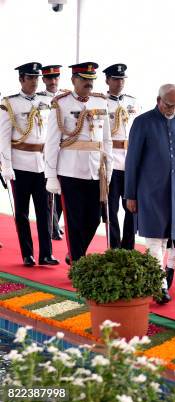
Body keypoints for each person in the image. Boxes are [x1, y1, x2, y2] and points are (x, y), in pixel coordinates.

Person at [125, 84, 175, 305]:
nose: (172, 109)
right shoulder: (142, 122)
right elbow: (132, 161)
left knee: (170, 240)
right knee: (155, 241)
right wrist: (130, 194)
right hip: (149, 192)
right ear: (158, 100)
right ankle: (160, 286)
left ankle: (155, 279)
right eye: (168, 104)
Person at [44, 62, 113, 265]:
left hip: (95, 170)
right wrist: (51, 176)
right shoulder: (61, 104)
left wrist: (108, 169)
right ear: (74, 80)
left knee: (93, 219)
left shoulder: (101, 102)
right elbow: (51, 142)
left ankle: (77, 252)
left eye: (91, 80)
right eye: (84, 79)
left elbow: (106, 140)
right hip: (70, 170)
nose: (88, 84)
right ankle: (77, 261)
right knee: (74, 220)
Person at [0, 62, 59, 267]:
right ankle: (27, 253)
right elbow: (4, 138)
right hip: (20, 164)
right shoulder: (10, 103)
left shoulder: (48, 100)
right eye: (30, 78)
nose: (34, 81)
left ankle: (46, 253)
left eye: (36, 78)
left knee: (45, 211)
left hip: (42, 164)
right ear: (21, 79)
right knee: (22, 212)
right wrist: (7, 167)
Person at [103, 63, 140, 250]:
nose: (119, 83)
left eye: (122, 79)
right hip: (110, 161)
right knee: (111, 209)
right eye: (115, 79)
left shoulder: (132, 102)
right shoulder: (101, 102)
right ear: (107, 80)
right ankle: (114, 247)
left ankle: (128, 247)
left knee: (131, 208)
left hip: (130, 162)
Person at [37, 64, 64, 241]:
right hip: (46, 151)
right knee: (49, 193)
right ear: (44, 80)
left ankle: (56, 223)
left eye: (56, 78)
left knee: (62, 193)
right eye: (49, 78)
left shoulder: (66, 97)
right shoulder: (38, 100)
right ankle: (52, 227)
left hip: (65, 151)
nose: (53, 81)